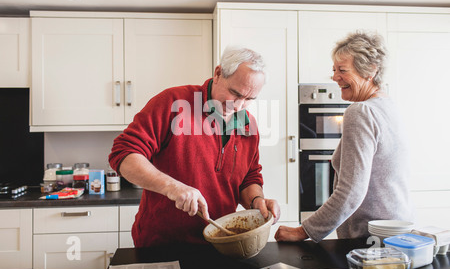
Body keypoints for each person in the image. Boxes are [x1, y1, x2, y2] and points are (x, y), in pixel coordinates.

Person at [109, 46, 280, 247]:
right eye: (235, 93)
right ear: (218, 74)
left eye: (249, 99)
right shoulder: (174, 103)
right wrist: (172, 187)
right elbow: (124, 153)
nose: (238, 106)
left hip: (222, 243)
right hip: (162, 244)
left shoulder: (247, 123)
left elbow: (248, 178)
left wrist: (256, 200)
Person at [275, 31, 415, 243]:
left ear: (370, 71)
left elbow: (351, 191)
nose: (334, 77)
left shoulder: (361, 111)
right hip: (398, 233)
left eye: (342, 70)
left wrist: (302, 231)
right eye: (334, 70)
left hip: (371, 239)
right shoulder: (389, 106)